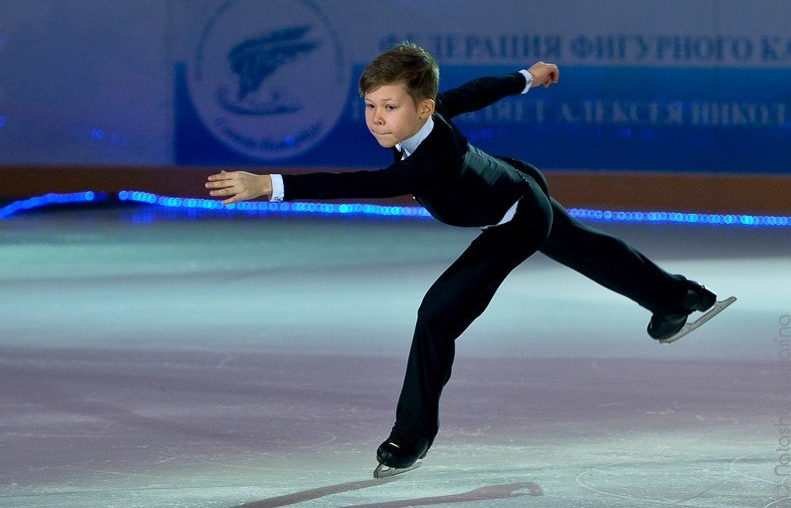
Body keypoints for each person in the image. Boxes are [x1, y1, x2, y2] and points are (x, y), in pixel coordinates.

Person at [205, 42, 719, 476]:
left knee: (437, 315)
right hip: (517, 181)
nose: (377, 118)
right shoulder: (428, 116)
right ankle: (678, 297)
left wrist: (270, 185)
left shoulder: (431, 160)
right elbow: (474, 92)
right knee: (590, 249)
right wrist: (527, 77)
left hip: (515, 218)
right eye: (370, 105)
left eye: (389, 106)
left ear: (422, 108)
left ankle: (411, 436)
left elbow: (364, 184)